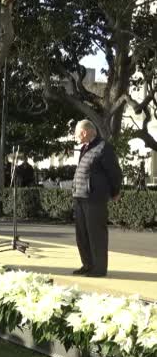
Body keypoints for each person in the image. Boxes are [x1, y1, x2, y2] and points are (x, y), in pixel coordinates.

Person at [71, 119, 122, 278]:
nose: (75, 136)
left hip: (94, 198)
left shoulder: (103, 147)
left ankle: (99, 269)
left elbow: (115, 173)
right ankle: (87, 265)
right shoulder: (85, 148)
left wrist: (115, 192)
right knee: (83, 235)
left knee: (96, 235)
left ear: (85, 132)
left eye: (76, 133)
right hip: (80, 197)